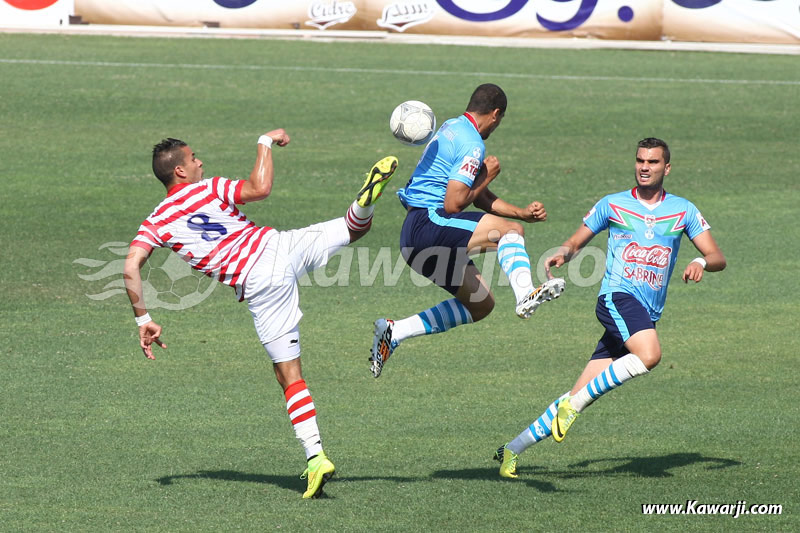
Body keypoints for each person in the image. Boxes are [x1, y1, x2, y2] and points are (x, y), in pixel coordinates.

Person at [123, 131, 398, 498]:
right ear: (180, 171)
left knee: (289, 374)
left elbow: (130, 266)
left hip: (261, 280)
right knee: (353, 227)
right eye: (194, 158)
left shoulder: (156, 221)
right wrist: (264, 141)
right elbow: (260, 188)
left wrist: (144, 319)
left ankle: (315, 456)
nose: (200, 162)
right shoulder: (210, 189)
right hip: (281, 245)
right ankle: (364, 202)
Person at [493, 137, 726, 478]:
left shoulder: (683, 210)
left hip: (644, 314)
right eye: (640, 160)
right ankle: (573, 407)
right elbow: (576, 240)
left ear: (667, 168)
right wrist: (565, 252)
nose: (644, 167)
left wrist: (700, 263)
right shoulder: (613, 204)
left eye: (653, 162)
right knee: (649, 355)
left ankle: (511, 450)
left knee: (579, 391)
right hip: (617, 298)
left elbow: (717, 256)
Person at [369, 83, 565, 378]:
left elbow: (471, 192)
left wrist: (521, 213)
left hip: (414, 236)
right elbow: (455, 202)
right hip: (430, 223)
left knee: (480, 303)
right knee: (509, 233)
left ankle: (394, 332)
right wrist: (487, 176)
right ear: (496, 114)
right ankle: (525, 293)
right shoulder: (473, 142)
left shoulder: (451, 126)